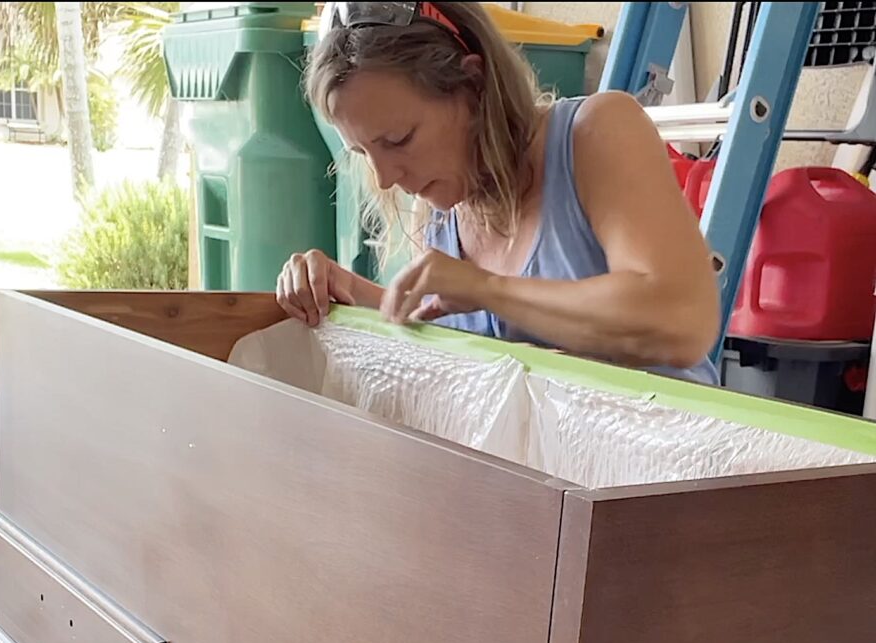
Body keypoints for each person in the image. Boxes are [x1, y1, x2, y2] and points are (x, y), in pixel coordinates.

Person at [277, 1, 721, 385]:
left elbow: (681, 322)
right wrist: (351, 293)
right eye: (362, 151)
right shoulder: (440, 210)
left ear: (473, 85)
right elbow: (460, 346)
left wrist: (487, 288)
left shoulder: (596, 132)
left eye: (399, 140)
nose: (386, 177)